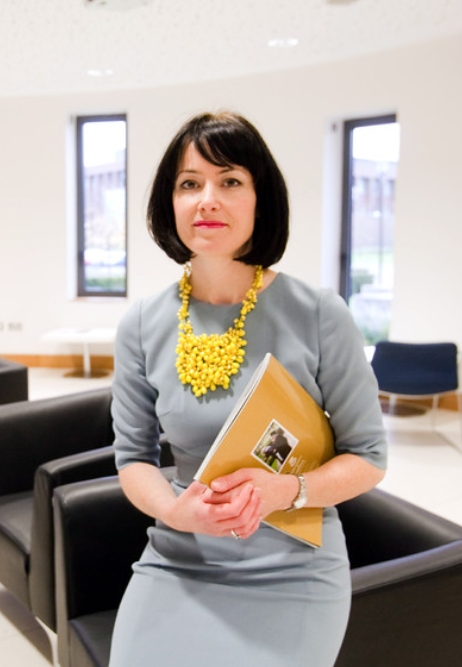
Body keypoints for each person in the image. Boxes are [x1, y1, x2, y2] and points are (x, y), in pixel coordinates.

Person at [109, 111, 388, 666]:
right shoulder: (141, 324)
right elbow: (132, 460)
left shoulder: (318, 314)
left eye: (230, 181)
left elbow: (370, 458)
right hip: (180, 556)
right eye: (189, 183)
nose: (206, 199)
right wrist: (175, 511)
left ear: (261, 201)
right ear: (171, 202)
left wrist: (283, 492)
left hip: (295, 566)